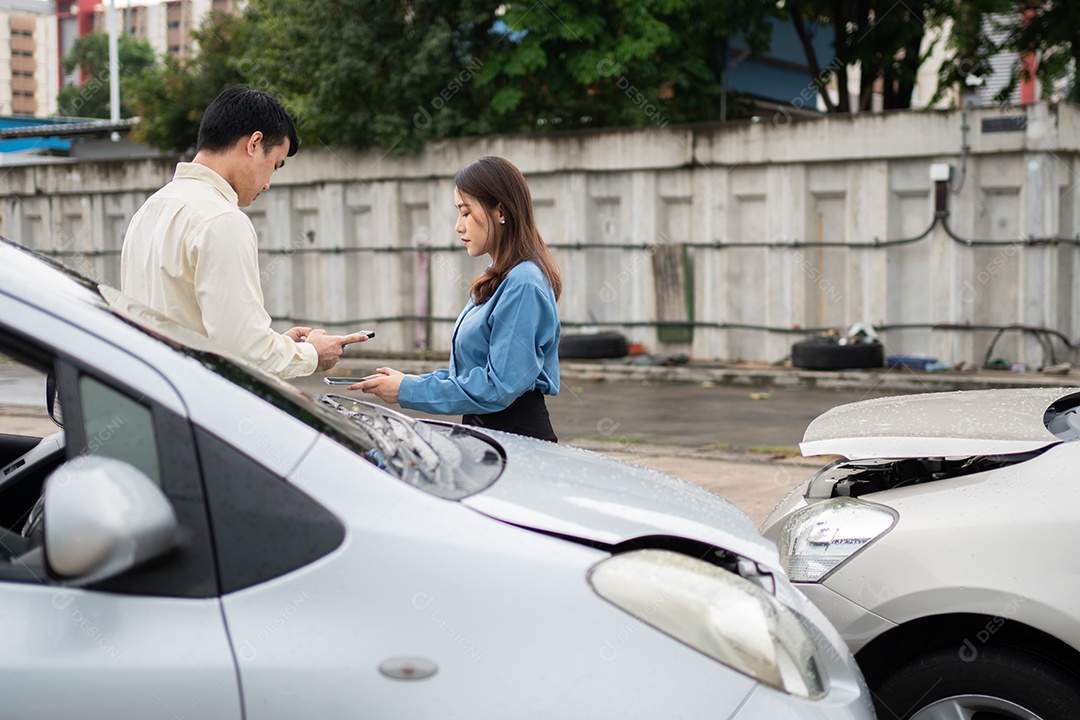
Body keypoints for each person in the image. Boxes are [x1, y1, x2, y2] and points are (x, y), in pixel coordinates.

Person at [120, 86, 366, 379]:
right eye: (274, 165)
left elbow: (202, 331)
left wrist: (278, 345)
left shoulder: (150, 209)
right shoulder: (221, 219)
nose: (267, 184)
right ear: (254, 143)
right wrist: (312, 354)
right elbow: (244, 351)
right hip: (198, 408)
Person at [353, 156, 561, 441]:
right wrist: (410, 382)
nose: (458, 226)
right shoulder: (500, 275)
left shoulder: (523, 282)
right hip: (488, 431)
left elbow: (498, 386)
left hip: (516, 435)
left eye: (465, 212)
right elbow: (472, 373)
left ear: (501, 211)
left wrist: (408, 390)